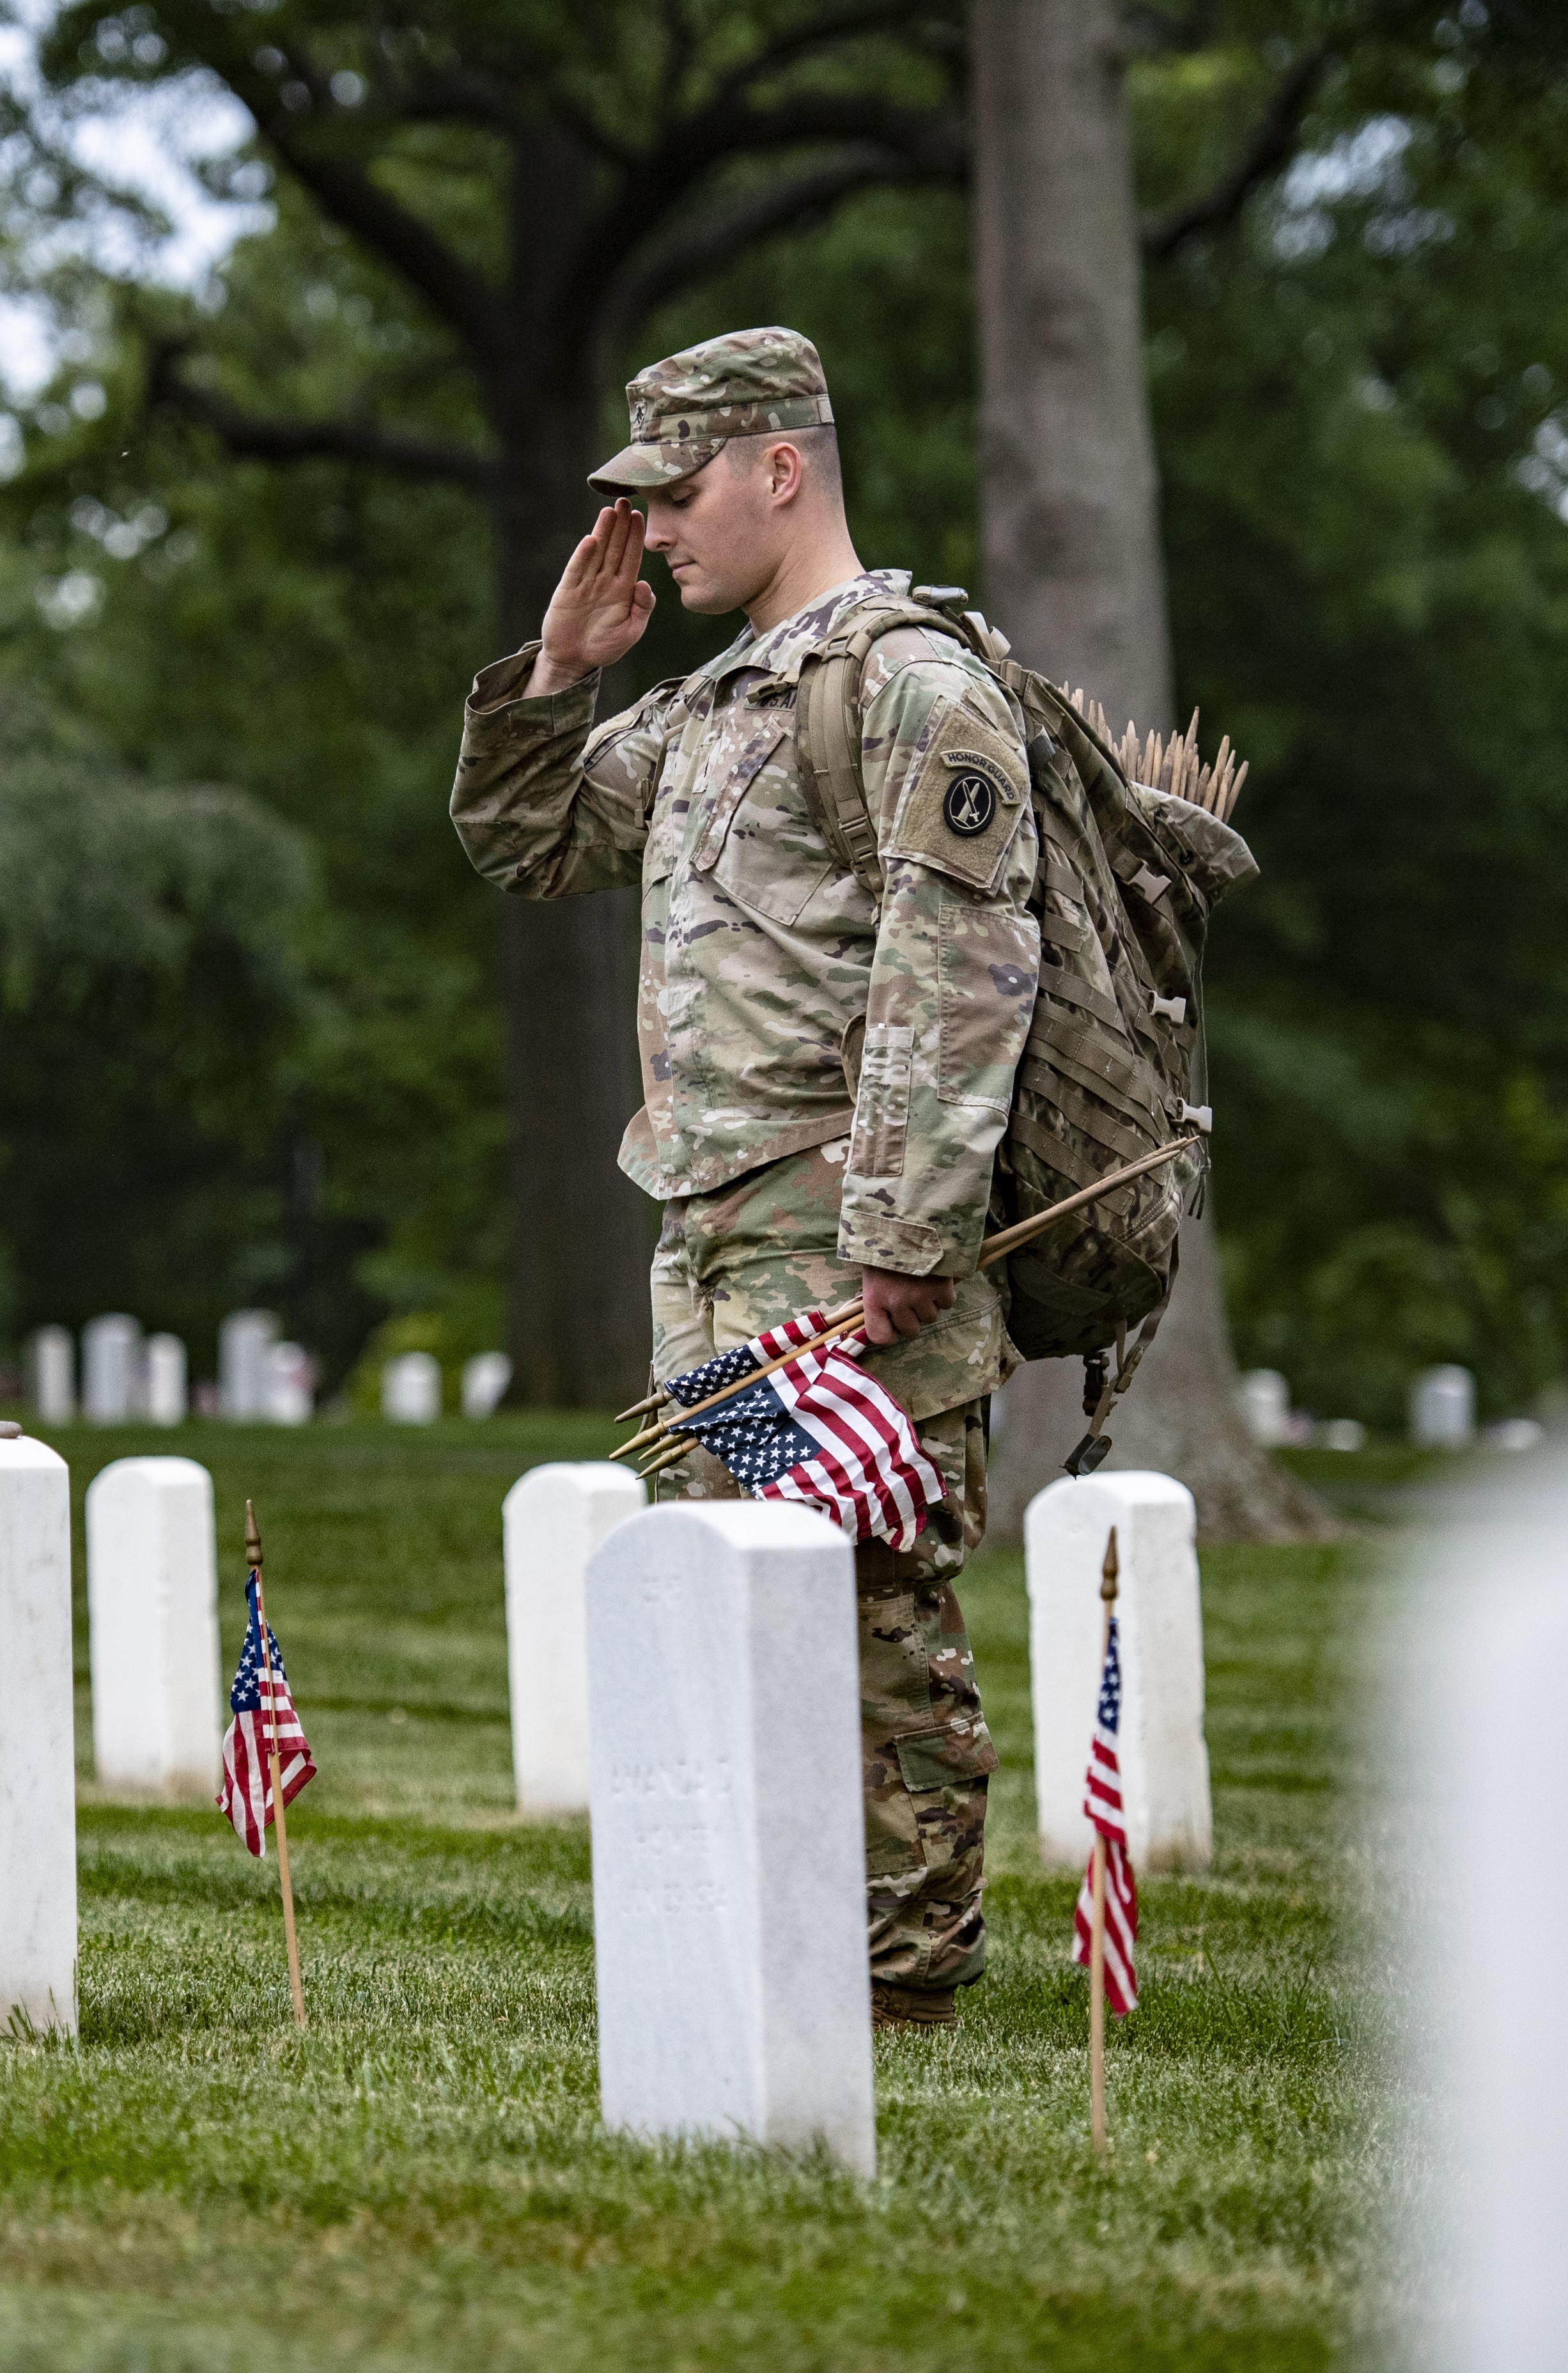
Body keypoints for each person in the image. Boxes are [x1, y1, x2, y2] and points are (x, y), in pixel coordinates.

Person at [449, 327, 1037, 2030]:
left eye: (677, 491)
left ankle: (902, 1983)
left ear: (783, 469)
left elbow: (962, 964)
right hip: (712, 1241)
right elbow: (531, 844)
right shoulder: (713, 705)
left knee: (864, 1594)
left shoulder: (911, 685)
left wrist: (907, 1231)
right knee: (728, 1582)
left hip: (840, 1244)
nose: (650, 530)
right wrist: (559, 674)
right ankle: (775, 1955)